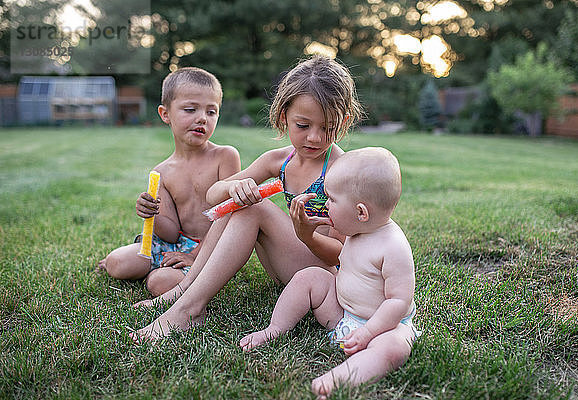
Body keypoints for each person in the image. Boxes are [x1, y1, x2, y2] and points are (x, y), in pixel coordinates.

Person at [131, 55, 363, 342]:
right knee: (242, 204)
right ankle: (185, 290)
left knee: (254, 209)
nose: (314, 138)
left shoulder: (342, 171)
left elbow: (341, 255)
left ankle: (189, 308)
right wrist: (234, 189)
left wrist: (307, 235)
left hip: (323, 278)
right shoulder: (279, 160)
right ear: (283, 117)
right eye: (303, 126)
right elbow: (213, 195)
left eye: (327, 128)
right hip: (289, 270)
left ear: (345, 121)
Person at [239, 147, 419, 399]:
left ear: (360, 212)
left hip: (385, 326)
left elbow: (398, 302)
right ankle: (275, 328)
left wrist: (368, 332)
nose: (326, 207)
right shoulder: (357, 231)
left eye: (331, 201)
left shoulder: (393, 246)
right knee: (309, 276)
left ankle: (340, 377)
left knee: (393, 349)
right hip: (343, 314)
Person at [97, 67, 241, 296]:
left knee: (159, 283)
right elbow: (171, 234)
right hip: (176, 244)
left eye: (211, 112)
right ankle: (160, 266)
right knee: (118, 262)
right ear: (165, 114)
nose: (202, 118)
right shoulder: (162, 172)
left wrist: (193, 256)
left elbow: (229, 216)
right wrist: (151, 214)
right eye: (190, 109)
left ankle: (178, 272)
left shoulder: (225, 157)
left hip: (213, 248)